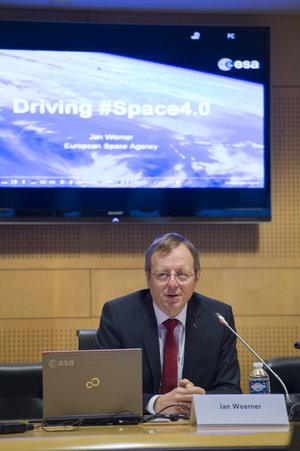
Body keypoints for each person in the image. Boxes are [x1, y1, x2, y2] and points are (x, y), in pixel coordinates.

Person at [96, 232, 241, 415]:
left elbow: (231, 389)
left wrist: (203, 401)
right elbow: (104, 390)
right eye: (163, 275)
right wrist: (155, 403)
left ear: (196, 277)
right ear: (148, 278)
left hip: (196, 432)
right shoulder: (118, 315)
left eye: (181, 274)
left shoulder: (218, 318)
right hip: (136, 432)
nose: (172, 284)